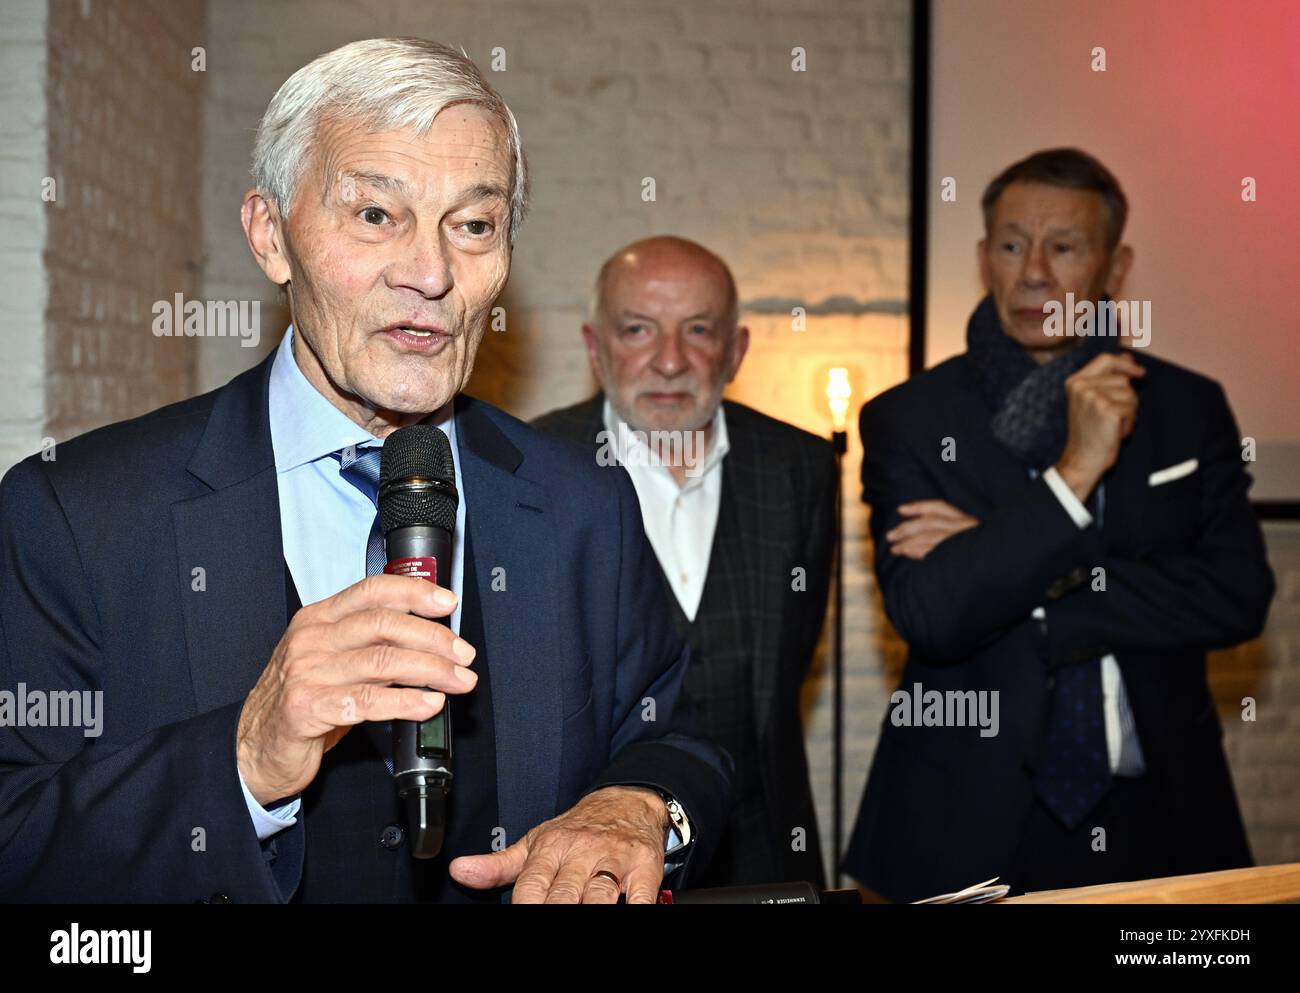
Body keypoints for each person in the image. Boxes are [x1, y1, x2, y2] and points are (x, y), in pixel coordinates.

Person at [0, 38, 731, 904]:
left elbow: (685, 738)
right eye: (376, 215)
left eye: (473, 225)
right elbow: (19, 841)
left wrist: (636, 806)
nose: (430, 274)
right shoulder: (80, 513)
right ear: (271, 237)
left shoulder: (582, 505)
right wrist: (242, 757)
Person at [842, 148, 1274, 902]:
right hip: (965, 823)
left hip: (1164, 819)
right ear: (984, 258)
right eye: (1012, 245)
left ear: (1115, 264)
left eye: (1064, 246)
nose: (1034, 271)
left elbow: (1237, 595)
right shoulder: (911, 419)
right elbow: (934, 614)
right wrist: (1075, 474)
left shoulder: (1188, 407)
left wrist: (1001, 554)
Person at [534, 236, 835, 886]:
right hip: (593, 857)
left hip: (763, 848)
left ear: (737, 349)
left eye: (698, 330)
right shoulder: (530, 468)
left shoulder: (800, 466)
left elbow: (795, 659)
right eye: (638, 328)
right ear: (595, 346)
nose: (669, 360)